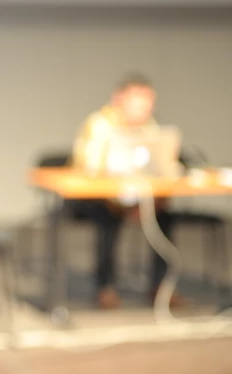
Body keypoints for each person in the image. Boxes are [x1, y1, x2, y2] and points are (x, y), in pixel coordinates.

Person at [70, 73, 181, 309]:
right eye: (138, 103)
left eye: (148, 104)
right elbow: (92, 171)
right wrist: (124, 204)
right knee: (109, 218)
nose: (144, 109)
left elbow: (157, 165)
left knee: (164, 216)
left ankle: (161, 287)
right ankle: (105, 286)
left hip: (136, 196)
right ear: (119, 99)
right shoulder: (99, 124)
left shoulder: (150, 126)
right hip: (99, 200)